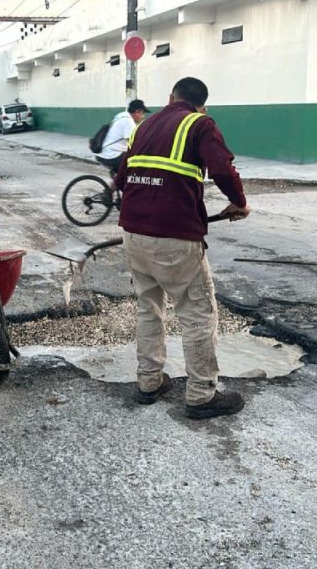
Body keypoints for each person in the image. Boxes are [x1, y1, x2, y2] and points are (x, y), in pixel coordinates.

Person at [114, 77, 252, 420]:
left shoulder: (142, 127)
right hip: (175, 238)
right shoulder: (200, 124)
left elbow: (121, 179)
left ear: (170, 97)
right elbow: (222, 168)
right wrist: (239, 203)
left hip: (133, 233)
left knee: (149, 309)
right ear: (201, 105)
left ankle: (149, 383)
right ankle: (202, 395)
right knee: (197, 314)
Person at [96, 99, 148, 175]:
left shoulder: (122, 115)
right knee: (136, 167)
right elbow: (133, 143)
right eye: (143, 113)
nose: (143, 116)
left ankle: (116, 185)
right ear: (137, 111)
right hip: (111, 155)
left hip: (105, 153)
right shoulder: (128, 121)